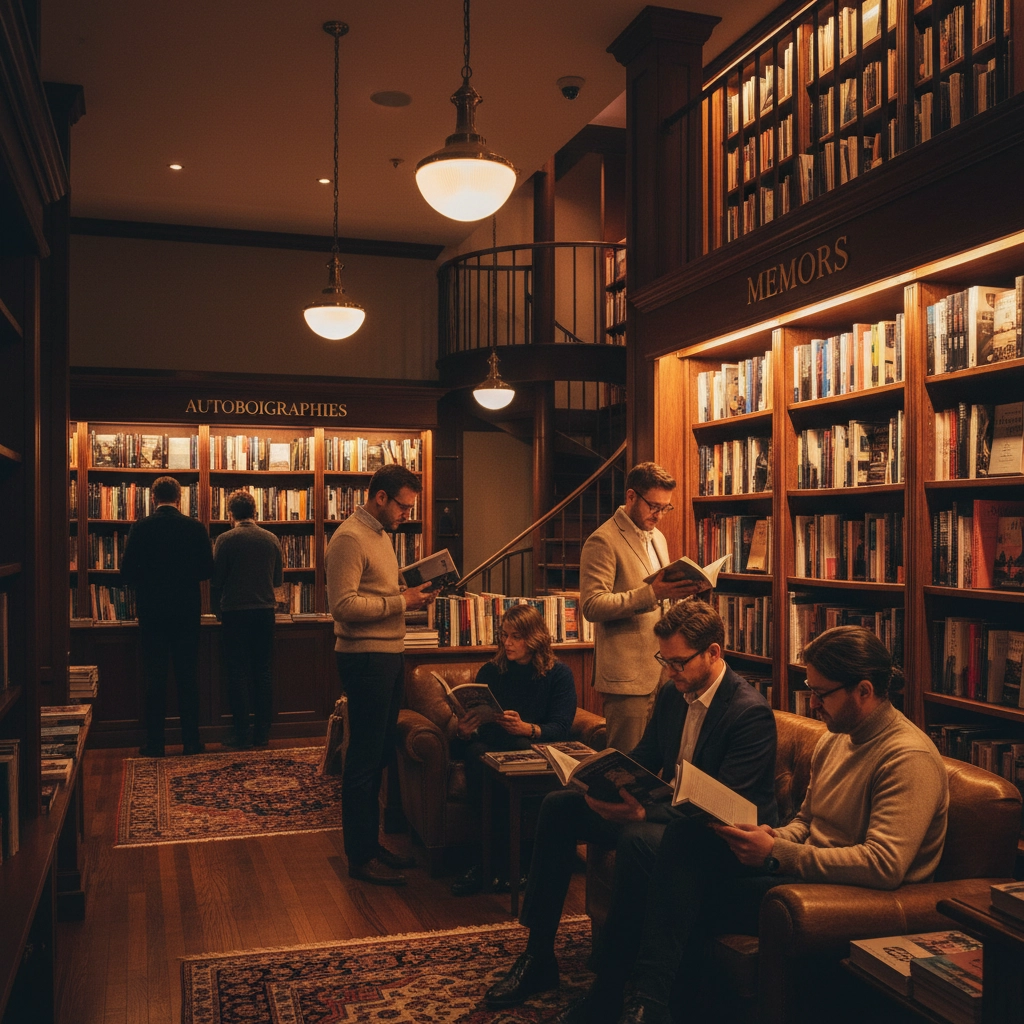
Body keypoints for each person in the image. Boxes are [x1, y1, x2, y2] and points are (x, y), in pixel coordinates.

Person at [611, 625, 948, 1024]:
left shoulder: (907, 758)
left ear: (864, 691)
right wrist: (771, 836)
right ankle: (647, 999)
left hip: (852, 895)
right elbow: (807, 820)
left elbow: (884, 865)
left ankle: (640, 998)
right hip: (809, 872)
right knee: (684, 840)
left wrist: (777, 853)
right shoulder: (837, 738)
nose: (814, 704)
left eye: (822, 693)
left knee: (678, 887)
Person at [484, 599, 777, 1013]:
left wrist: (644, 812)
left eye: (678, 662)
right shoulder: (676, 694)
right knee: (559, 806)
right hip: (667, 815)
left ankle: (613, 987)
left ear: (714, 653)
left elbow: (720, 808)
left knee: (641, 837)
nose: (670, 671)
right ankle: (538, 956)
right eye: (665, 661)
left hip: (713, 837)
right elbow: (645, 755)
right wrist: (599, 776)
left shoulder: (749, 714)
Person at [326, 463, 436, 886]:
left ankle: (370, 847)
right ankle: (359, 857)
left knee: (378, 756)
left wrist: (411, 595)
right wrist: (401, 602)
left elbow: (378, 594)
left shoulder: (380, 536)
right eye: (403, 507)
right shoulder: (350, 538)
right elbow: (344, 607)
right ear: (380, 498)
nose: (407, 515)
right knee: (363, 760)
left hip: (388, 655)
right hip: (366, 658)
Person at [450, 604, 578, 897]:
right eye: (504, 635)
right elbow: (472, 734)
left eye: (516, 637)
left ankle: (505, 865)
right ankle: (491, 863)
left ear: (534, 639)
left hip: (531, 746)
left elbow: (561, 727)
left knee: (519, 751)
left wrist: (528, 729)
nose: (507, 643)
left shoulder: (559, 674)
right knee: (475, 754)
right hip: (491, 744)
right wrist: (463, 730)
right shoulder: (492, 671)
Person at [580, 462, 698, 753]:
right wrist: (651, 594)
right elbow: (593, 605)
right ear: (631, 496)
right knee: (626, 763)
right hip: (627, 677)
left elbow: (660, 596)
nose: (658, 515)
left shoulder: (658, 537)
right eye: (653, 506)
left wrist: (684, 591)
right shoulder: (603, 540)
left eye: (665, 508)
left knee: (660, 759)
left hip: (665, 670)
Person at [119, 475, 214, 757]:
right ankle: (191, 741)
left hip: (152, 610)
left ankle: (156, 743)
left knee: (155, 677)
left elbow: (127, 572)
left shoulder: (141, 527)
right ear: (180, 498)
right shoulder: (194, 527)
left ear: (152, 498)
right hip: (186, 609)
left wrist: (149, 580)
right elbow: (208, 570)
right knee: (188, 676)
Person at [210, 489, 284, 750]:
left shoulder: (225, 540)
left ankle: (242, 732)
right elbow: (277, 581)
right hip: (264, 612)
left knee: (237, 673)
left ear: (231, 514)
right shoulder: (271, 539)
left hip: (235, 612)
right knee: (263, 672)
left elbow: (216, 580)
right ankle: (263, 732)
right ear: (255, 512)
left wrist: (216, 610)